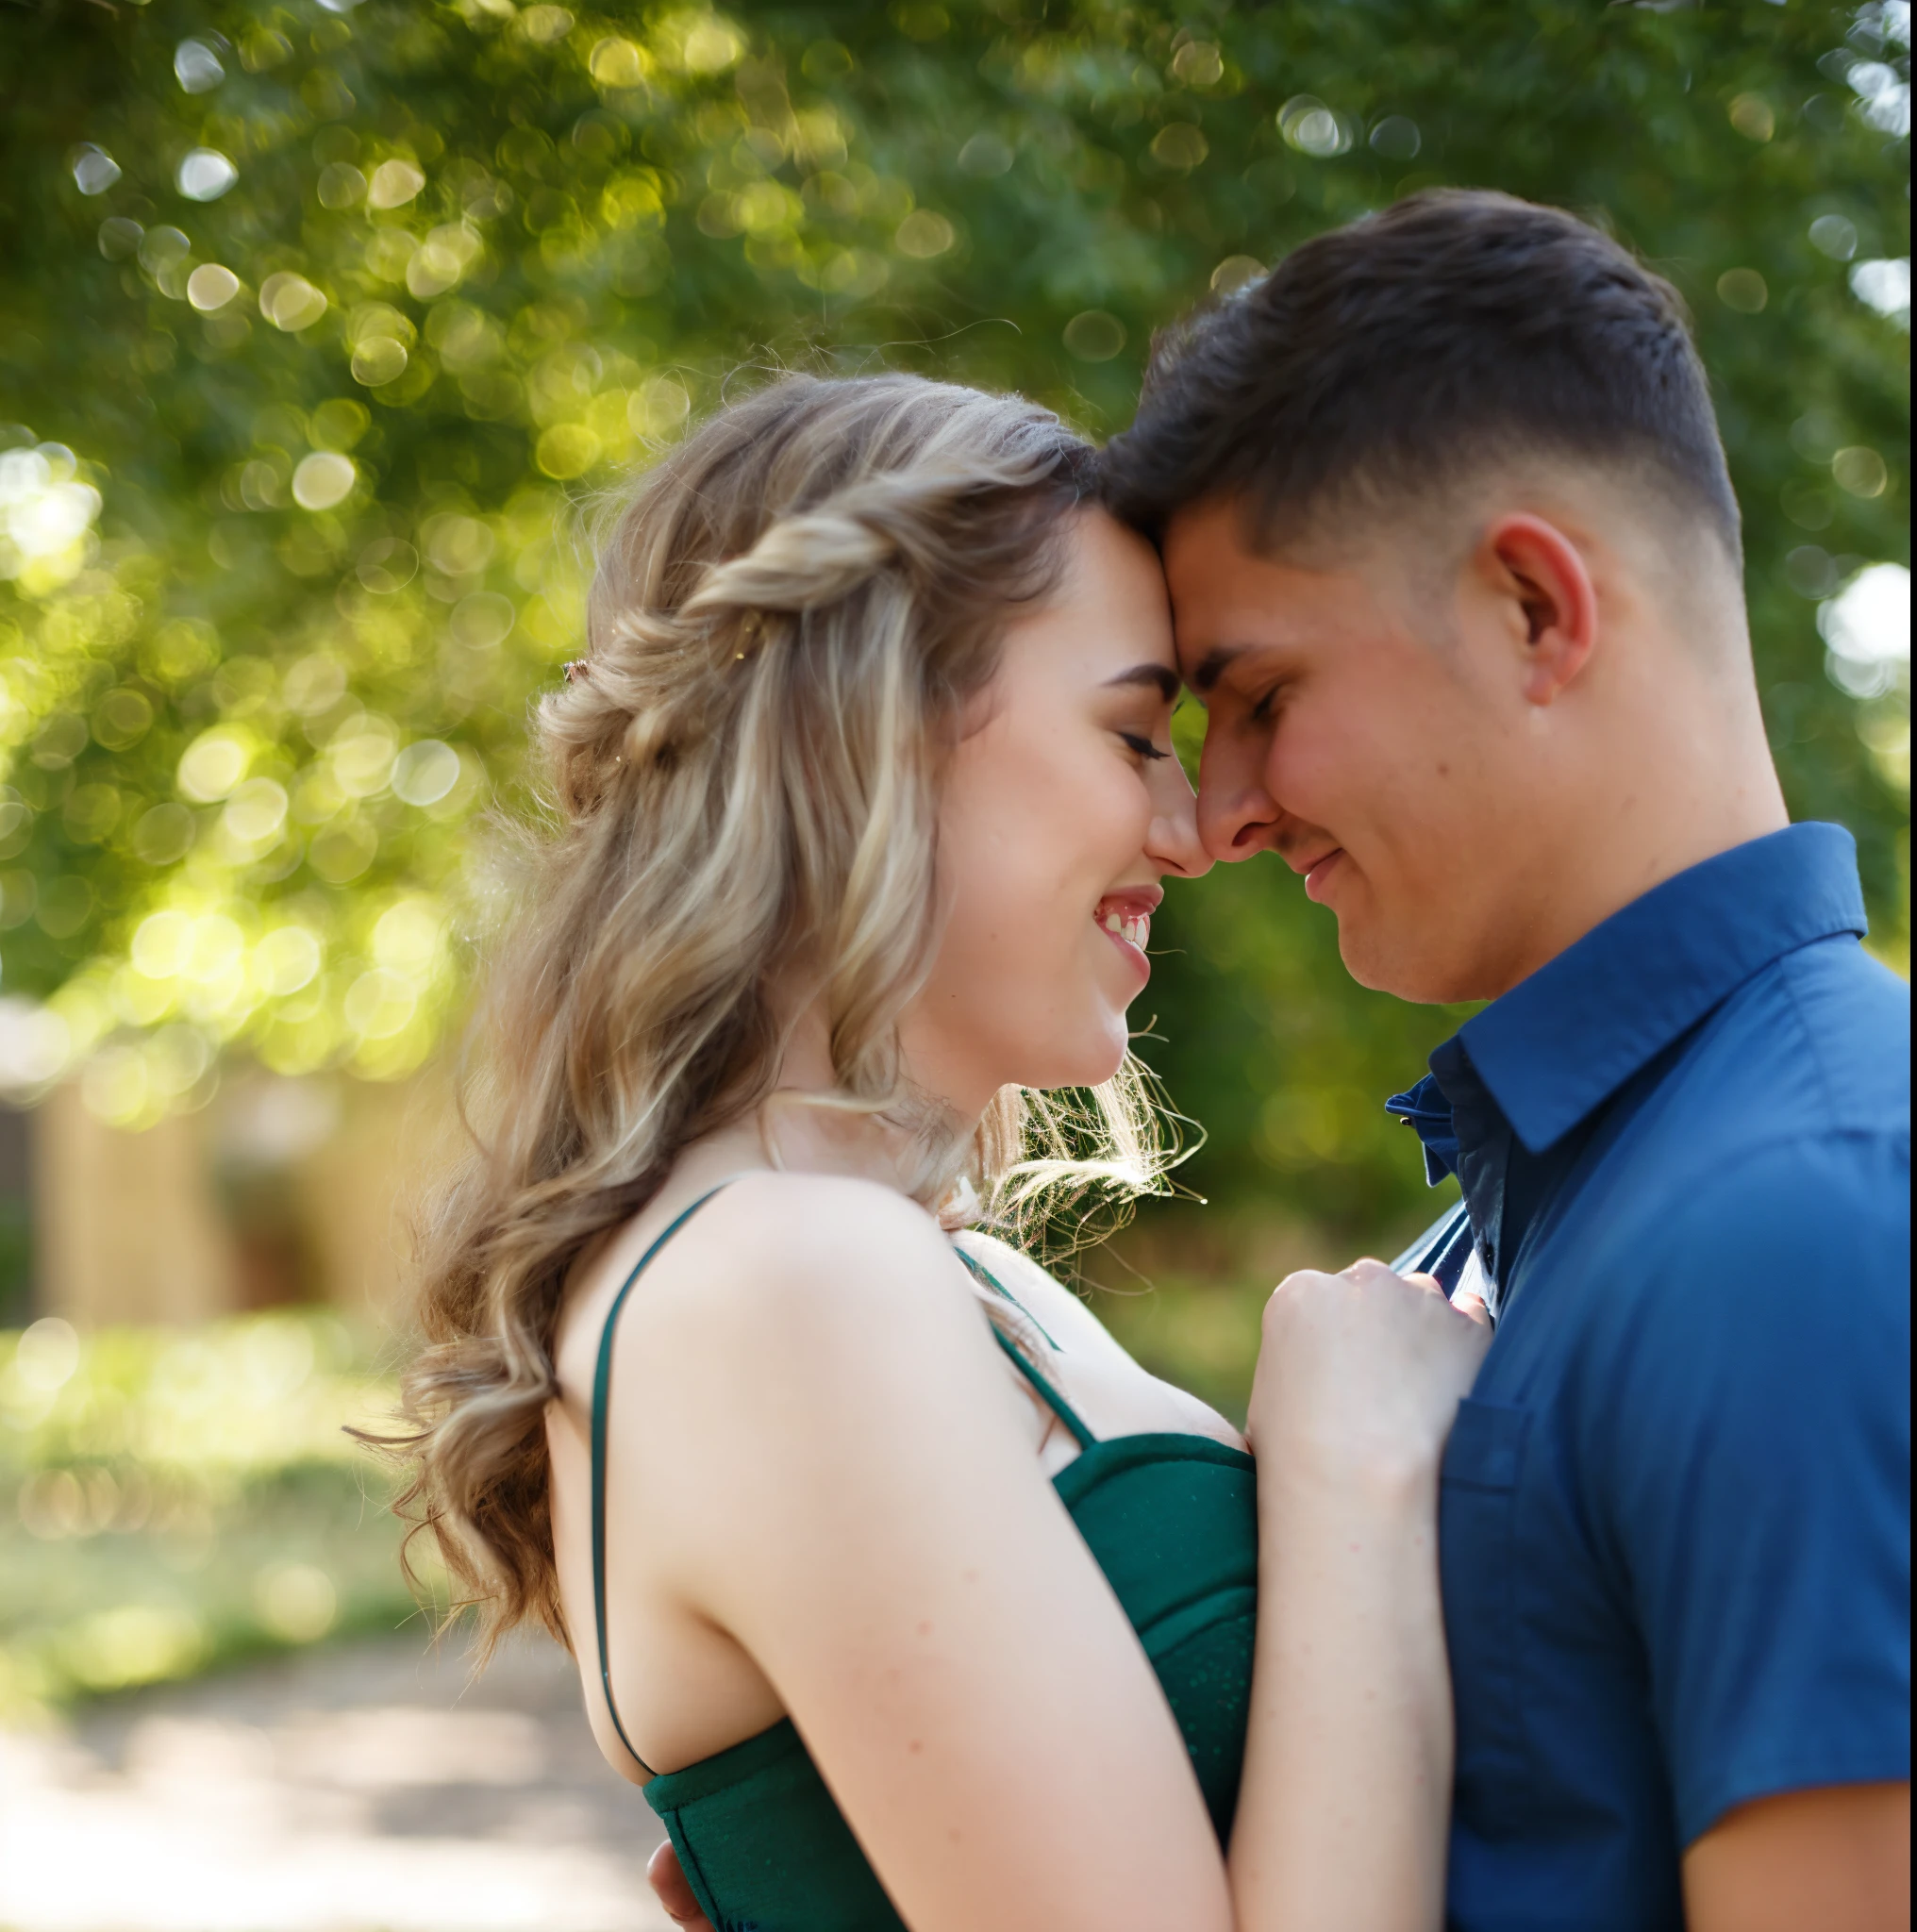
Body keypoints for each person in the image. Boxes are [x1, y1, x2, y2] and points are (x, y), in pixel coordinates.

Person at [392, 373, 1491, 1932]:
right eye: (1131, 733)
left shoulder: (916, 1265)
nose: (1193, 830)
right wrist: (1351, 1474)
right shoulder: (789, 1283)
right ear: (871, 740)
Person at [1098, 188, 1910, 1932]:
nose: (1221, 811)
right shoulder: (1566, 1192)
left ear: (1536, 607)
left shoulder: (1808, 1221)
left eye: (1261, 696)